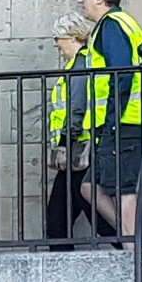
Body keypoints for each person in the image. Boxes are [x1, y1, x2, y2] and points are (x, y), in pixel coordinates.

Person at [78, 0, 142, 240]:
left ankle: (135, 249)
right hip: (120, 122)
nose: (80, 0)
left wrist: (112, 122)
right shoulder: (117, 24)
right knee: (89, 187)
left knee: (125, 191)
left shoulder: (111, 24)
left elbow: (121, 74)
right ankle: (135, 241)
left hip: (124, 121)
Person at [45, 13, 111, 247]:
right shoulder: (82, 63)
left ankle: (132, 246)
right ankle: (129, 244)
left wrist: (64, 144)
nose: (55, 44)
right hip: (83, 149)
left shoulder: (81, 65)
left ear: (73, 37)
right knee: (62, 218)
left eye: (58, 38)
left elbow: (76, 109)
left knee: (62, 219)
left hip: (81, 149)